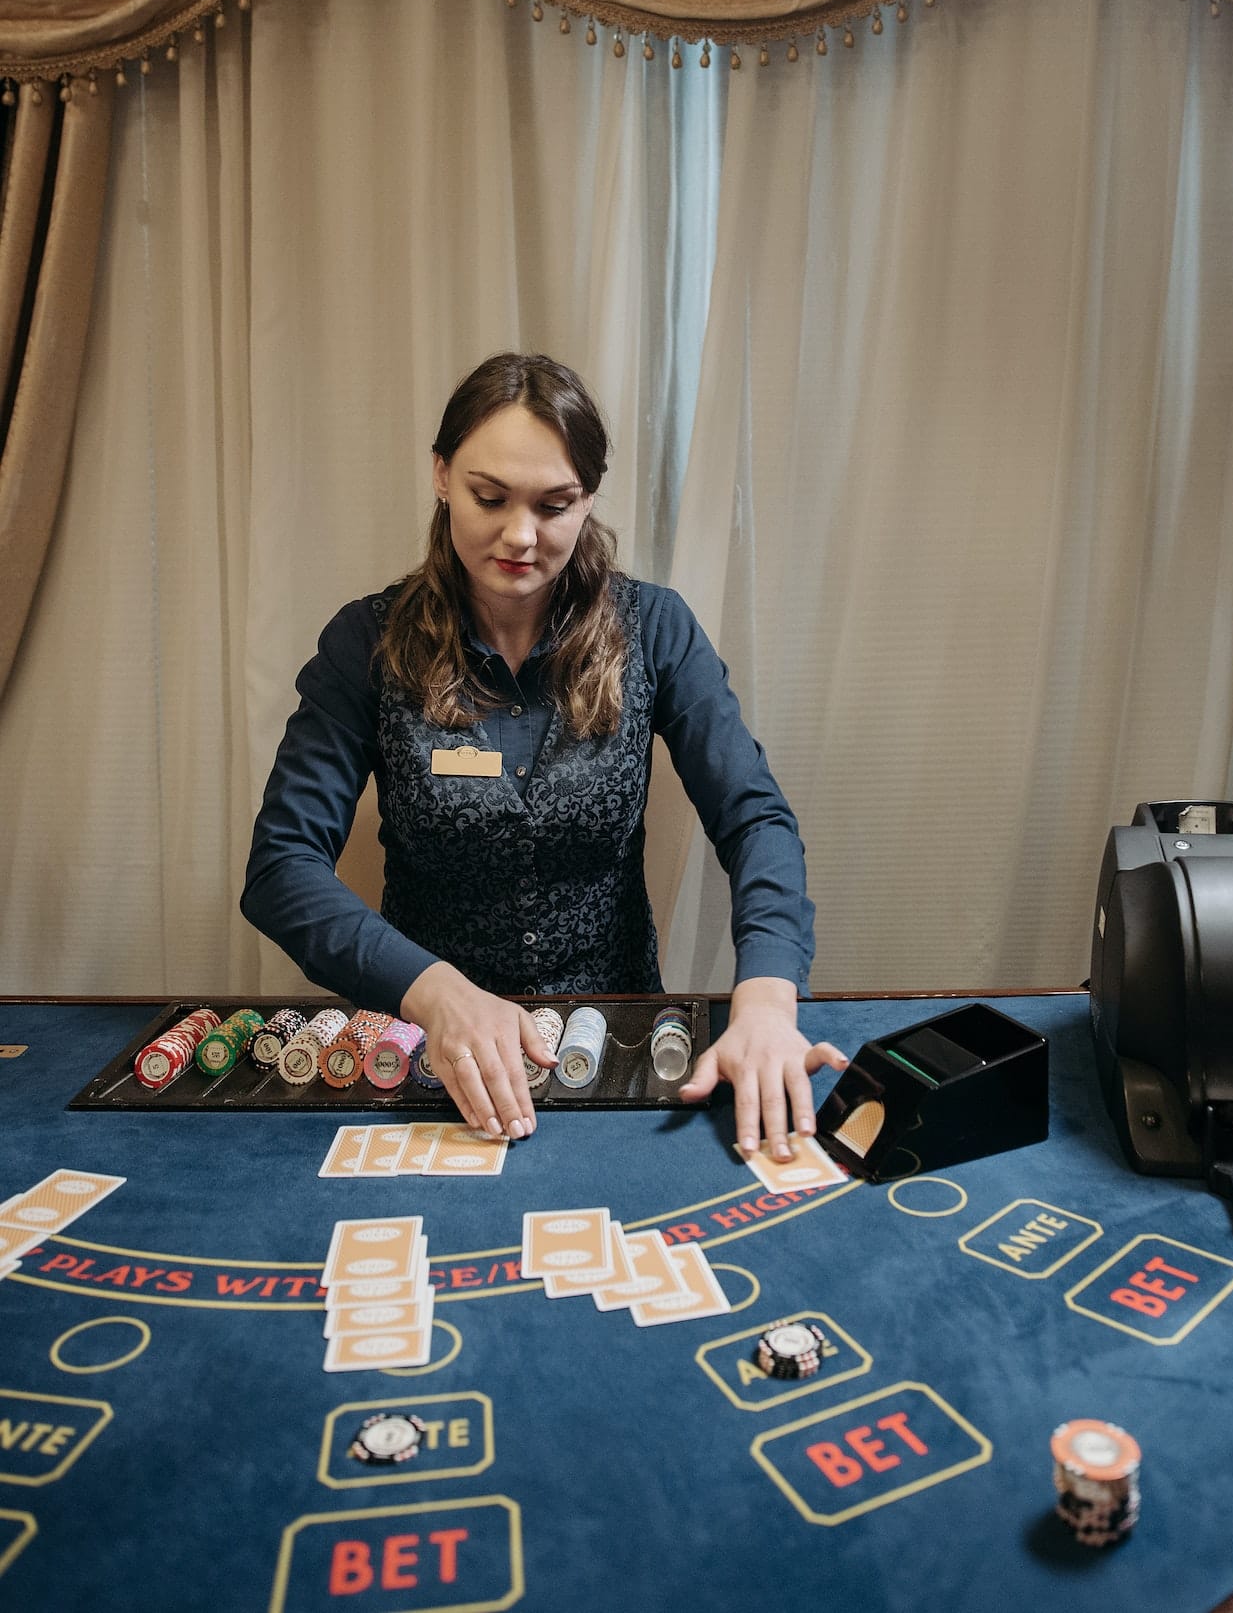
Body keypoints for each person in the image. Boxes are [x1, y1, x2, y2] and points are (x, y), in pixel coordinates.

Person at [242, 352, 846, 1158]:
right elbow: (282, 867)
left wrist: (767, 998)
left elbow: (755, 818)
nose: (520, 535)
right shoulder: (367, 642)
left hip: (619, 1051)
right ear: (442, 475)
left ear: (588, 498)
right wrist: (436, 992)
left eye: (554, 505)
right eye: (490, 497)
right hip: (428, 1054)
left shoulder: (655, 629)